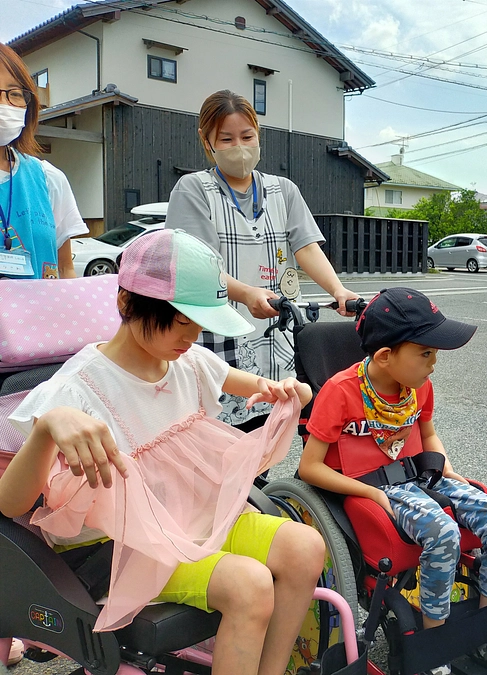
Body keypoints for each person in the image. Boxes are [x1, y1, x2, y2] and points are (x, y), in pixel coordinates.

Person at [0, 228, 325, 675]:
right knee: (248, 584)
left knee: (306, 545)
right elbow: (10, 504)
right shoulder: (76, 388)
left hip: (184, 520)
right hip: (114, 546)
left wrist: (289, 390)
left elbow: (260, 387)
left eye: (198, 323)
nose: (190, 335)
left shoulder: (187, 361)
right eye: (179, 320)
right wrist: (46, 430)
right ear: (125, 304)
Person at [298, 287, 487, 675]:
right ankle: (433, 647)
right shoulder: (340, 392)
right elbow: (310, 468)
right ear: (385, 356)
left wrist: (446, 466)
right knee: (443, 534)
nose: (434, 363)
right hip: (374, 486)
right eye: (426, 353)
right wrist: (371, 492)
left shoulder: (418, 387)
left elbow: (427, 435)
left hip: (420, 474)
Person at [166, 89, 357, 432]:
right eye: (226, 138)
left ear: (259, 135)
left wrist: (338, 290)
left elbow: (307, 247)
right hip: (219, 329)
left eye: (247, 136)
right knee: (220, 438)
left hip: (274, 332)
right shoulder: (193, 188)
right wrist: (247, 294)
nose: (239, 146)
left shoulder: (282, 189)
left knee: (269, 430)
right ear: (206, 140)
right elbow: (198, 265)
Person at [0, 43, 87, 279]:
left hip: (40, 315)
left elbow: (65, 268)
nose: (4, 103)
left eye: (15, 93)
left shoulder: (48, 178)